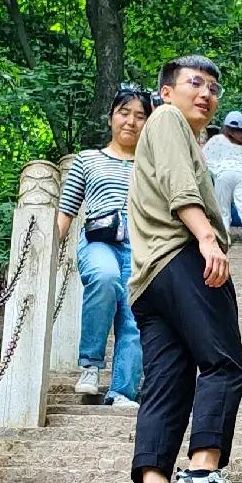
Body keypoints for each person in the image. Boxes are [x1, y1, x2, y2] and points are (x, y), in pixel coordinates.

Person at [128, 55, 242, 483]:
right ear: (167, 92)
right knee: (224, 365)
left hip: (149, 277)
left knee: (167, 378)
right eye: (195, 83)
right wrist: (208, 238)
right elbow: (178, 185)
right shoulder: (167, 121)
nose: (206, 94)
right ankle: (203, 473)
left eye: (213, 89)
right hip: (181, 259)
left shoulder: (176, 133)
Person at [57, 87, 148, 406]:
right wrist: (46, 255)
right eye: (124, 113)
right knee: (105, 277)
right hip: (99, 239)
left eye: (140, 116)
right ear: (111, 118)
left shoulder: (152, 164)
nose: (131, 122)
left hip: (141, 244)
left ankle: (123, 389)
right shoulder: (87, 160)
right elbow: (67, 208)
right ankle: (90, 366)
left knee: (136, 315)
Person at [205, 111, 242, 247]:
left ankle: (225, 235)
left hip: (224, 174)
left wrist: (214, 173)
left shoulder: (217, 140)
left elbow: (203, 158)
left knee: (223, 207)